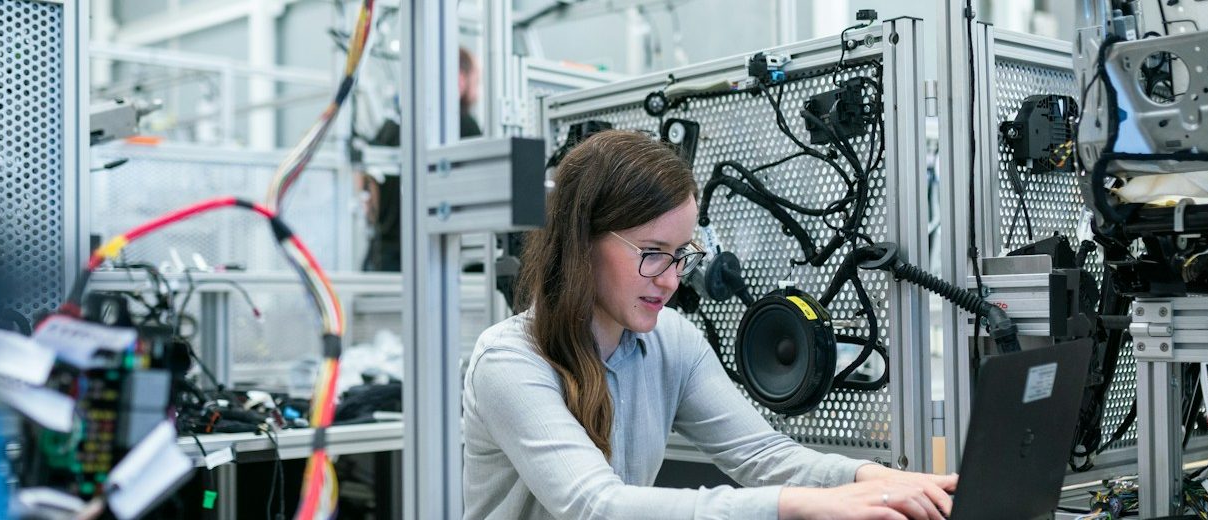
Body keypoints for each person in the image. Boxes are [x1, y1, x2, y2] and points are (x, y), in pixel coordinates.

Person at [462, 130, 958, 520]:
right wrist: (795, 505)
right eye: (653, 254)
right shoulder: (510, 361)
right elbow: (598, 506)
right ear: (582, 243)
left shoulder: (671, 341)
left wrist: (875, 479)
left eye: (682, 256)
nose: (673, 279)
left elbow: (763, 455)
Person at [361, 47, 483, 271]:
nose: (478, 89)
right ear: (459, 79)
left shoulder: (392, 126)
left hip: (384, 258)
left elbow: (366, 191)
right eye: (477, 80)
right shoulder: (462, 124)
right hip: (434, 258)